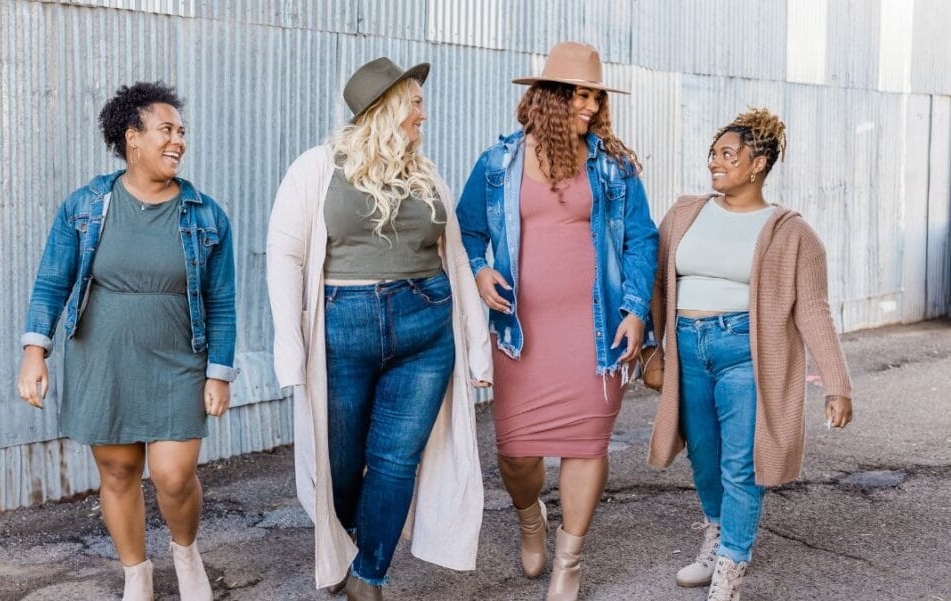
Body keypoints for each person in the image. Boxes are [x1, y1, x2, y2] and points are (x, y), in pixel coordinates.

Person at [266, 58, 492, 601]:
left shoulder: (426, 173)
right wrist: (289, 347)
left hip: (426, 328)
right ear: (387, 107)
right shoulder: (316, 168)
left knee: (395, 459)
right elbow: (285, 254)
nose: (423, 114)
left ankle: (369, 576)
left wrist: (478, 348)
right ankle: (344, 543)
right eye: (415, 103)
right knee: (339, 466)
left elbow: (456, 259)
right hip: (343, 328)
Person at [16, 82, 236, 601]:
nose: (178, 140)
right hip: (103, 355)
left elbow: (222, 300)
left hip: (180, 356)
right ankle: (136, 573)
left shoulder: (206, 215)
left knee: (174, 474)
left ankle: (185, 553)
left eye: (182, 132)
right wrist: (35, 353)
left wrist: (219, 371)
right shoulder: (87, 204)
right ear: (132, 138)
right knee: (117, 470)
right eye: (166, 130)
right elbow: (53, 280)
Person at [456, 42, 658, 601]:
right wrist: (478, 270)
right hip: (522, 335)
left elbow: (642, 238)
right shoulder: (500, 163)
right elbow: (467, 229)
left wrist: (636, 311)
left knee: (585, 447)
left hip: (595, 333)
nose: (590, 107)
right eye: (580, 96)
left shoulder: (613, 168)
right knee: (516, 454)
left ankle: (569, 561)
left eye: (595, 96)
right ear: (549, 98)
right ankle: (529, 518)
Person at [644, 108, 854, 601]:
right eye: (713, 154)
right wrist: (653, 348)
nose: (714, 163)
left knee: (740, 465)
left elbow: (815, 311)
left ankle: (731, 569)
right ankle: (715, 536)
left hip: (746, 354)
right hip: (689, 349)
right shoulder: (684, 213)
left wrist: (837, 383)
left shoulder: (791, 232)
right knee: (703, 456)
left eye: (727, 154)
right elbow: (656, 282)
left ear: (757, 164)